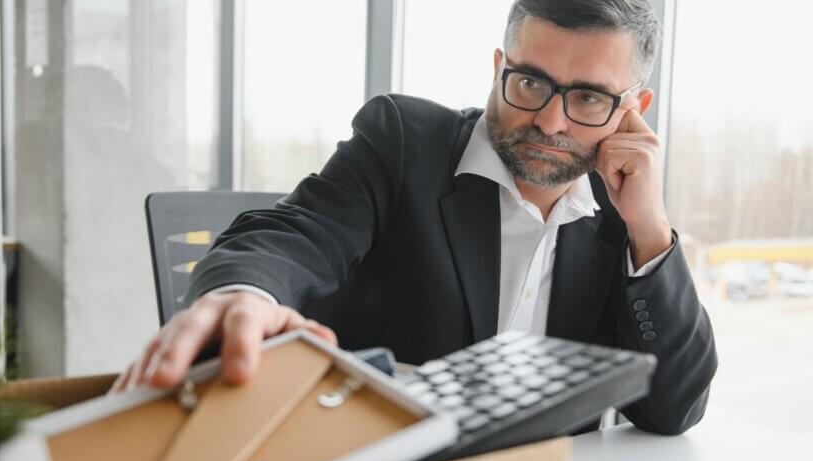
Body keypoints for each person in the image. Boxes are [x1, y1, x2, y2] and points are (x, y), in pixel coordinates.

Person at [112, 0, 716, 435]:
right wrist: (245, 289)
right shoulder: (404, 142)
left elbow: (673, 409)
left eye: (588, 98)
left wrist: (650, 231)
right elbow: (297, 232)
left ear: (632, 109)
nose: (552, 122)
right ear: (500, 66)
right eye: (530, 82)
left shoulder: (623, 213)